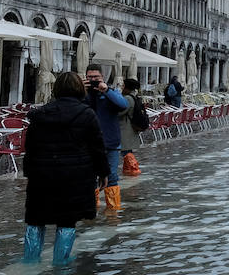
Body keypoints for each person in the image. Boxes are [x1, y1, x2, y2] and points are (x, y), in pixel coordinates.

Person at [22, 72, 108, 263]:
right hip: (74, 177)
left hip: (41, 176)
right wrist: (103, 173)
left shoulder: (40, 114)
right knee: (67, 221)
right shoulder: (87, 114)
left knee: (36, 219)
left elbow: (30, 147)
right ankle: (61, 265)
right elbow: (97, 147)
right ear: (80, 89)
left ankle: (29, 263)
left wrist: (29, 172)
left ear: (56, 89)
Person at [85, 65, 130, 210]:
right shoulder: (82, 93)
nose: (92, 80)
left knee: (111, 178)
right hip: (88, 144)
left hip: (110, 142)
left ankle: (113, 212)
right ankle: (91, 210)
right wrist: (79, 90)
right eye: (89, 77)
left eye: (95, 78)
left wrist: (106, 90)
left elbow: (123, 104)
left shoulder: (111, 92)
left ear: (102, 77)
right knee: (89, 179)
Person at [118, 76, 144, 176]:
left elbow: (120, 112)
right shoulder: (135, 97)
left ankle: (133, 170)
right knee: (127, 151)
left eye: (123, 86)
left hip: (126, 128)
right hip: (130, 128)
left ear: (127, 87)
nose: (122, 88)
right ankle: (128, 170)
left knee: (126, 151)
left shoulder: (128, 98)